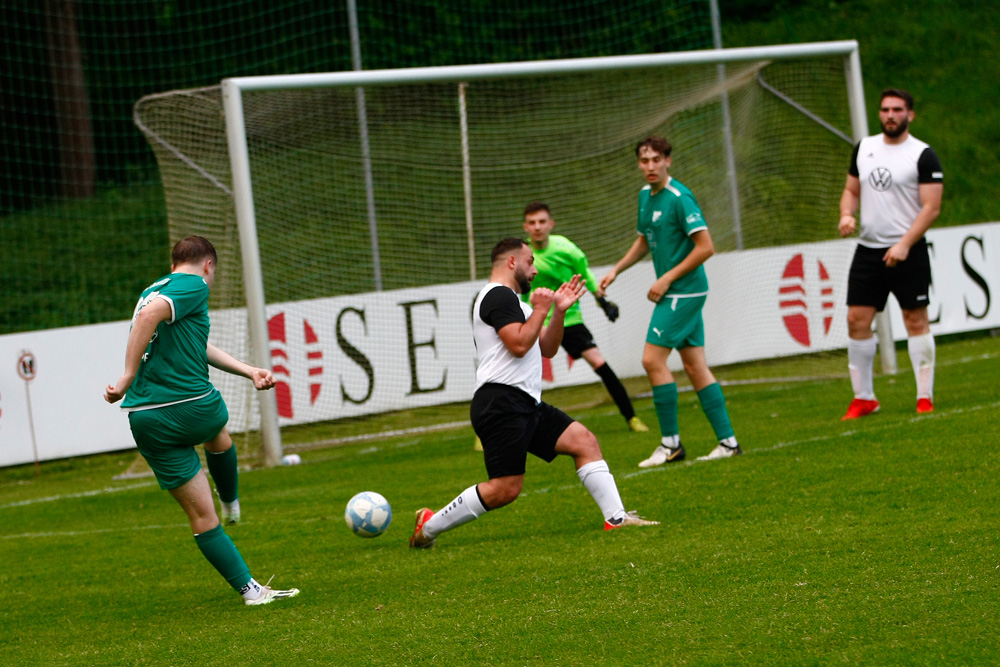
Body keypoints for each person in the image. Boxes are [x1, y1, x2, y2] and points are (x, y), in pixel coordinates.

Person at [410, 238, 657, 548]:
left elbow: (548, 348)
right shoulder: (497, 297)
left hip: (525, 401)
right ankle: (428, 528)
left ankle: (616, 519)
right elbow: (518, 344)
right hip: (500, 402)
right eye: (530, 262)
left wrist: (558, 313)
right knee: (505, 489)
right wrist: (542, 308)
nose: (536, 270)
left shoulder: (518, 303)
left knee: (584, 441)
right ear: (512, 262)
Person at [104, 235, 299, 606]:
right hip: (193, 407)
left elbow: (192, 342)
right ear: (209, 265)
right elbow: (149, 319)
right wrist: (127, 375)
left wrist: (247, 370)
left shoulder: (152, 290)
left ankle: (250, 590)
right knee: (217, 432)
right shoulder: (194, 284)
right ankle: (231, 500)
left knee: (201, 516)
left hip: (145, 419)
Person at [599, 136, 741, 466]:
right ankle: (729, 442)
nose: (650, 166)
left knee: (652, 360)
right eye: (644, 161)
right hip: (679, 290)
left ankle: (671, 444)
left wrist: (666, 278)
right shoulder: (645, 197)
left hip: (685, 291)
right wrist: (616, 270)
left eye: (656, 160)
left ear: (668, 161)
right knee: (694, 366)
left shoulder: (680, 198)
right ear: (639, 164)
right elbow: (644, 240)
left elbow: (706, 247)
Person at [837, 88, 943, 420]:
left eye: (897, 109)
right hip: (868, 250)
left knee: (915, 320)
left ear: (910, 115)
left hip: (907, 250)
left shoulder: (923, 154)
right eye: (885, 109)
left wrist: (904, 244)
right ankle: (864, 398)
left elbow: (932, 208)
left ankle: (924, 396)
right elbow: (851, 190)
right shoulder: (864, 148)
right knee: (856, 320)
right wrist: (846, 214)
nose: (890, 115)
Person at [521, 201, 648, 433]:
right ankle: (491, 429)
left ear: (551, 224)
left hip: (569, 318)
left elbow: (585, 273)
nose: (537, 227)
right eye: (532, 223)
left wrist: (602, 300)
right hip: (538, 320)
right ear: (525, 227)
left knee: (599, 363)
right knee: (519, 372)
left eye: (541, 222)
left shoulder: (566, 248)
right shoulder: (523, 255)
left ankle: (632, 418)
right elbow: (520, 288)